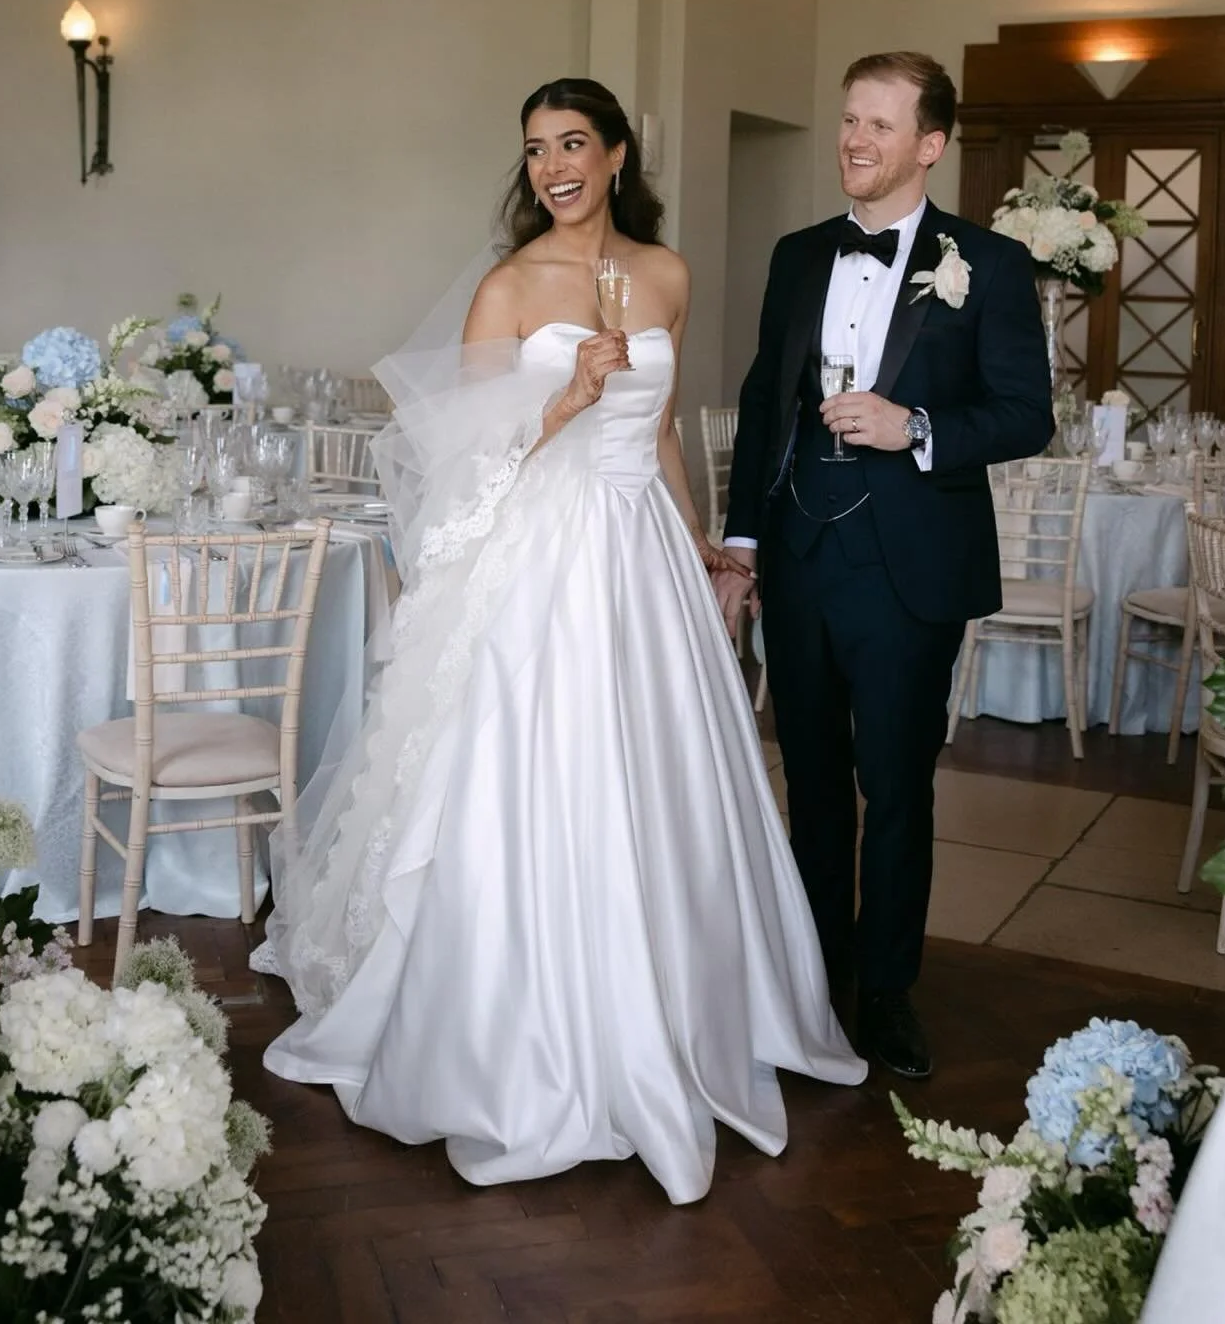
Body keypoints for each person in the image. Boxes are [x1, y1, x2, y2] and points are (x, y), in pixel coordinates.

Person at [256, 76, 865, 1205]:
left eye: (573, 143)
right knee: (538, 775)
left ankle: (689, 1009)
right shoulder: (507, 287)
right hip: (541, 564)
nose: (553, 166)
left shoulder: (670, 276)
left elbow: (668, 428)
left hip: (643, 560)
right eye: (536, 150)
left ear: (618, 154)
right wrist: (561, 403)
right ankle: (529, 1034)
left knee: (668, 777)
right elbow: (452, 476)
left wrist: (697, 542)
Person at [714, 53, 1053, 1081]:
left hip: (911, 566)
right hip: (806, 553)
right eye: (849, 120)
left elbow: (1025, 415)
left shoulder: (985, 265)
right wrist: (744, 542)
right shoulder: (796, 254)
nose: (854, 141)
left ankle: (889, 990)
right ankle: (817, 971)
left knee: (896, 786)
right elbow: (768, 397)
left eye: (879, 125)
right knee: (809, 779)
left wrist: (915, 427)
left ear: (930, 146)